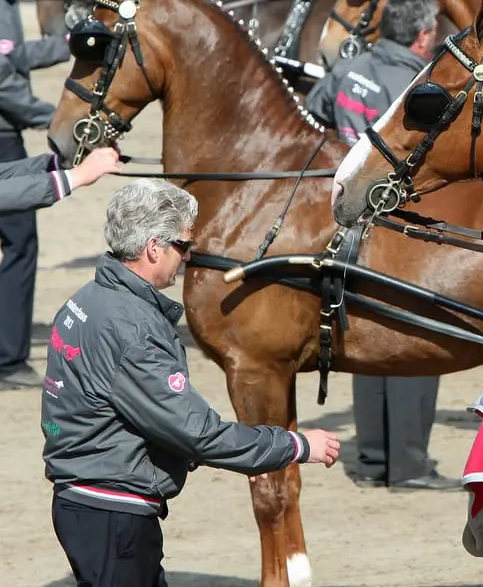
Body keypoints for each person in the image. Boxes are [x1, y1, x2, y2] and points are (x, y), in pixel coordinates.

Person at [42, 179, 341, 586]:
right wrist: (296, 446)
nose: (186, 258)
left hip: (85, 500)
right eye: (182, 245)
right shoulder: (133, 328)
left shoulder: (84, 301)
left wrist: (236, 453)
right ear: (152, 248)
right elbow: (196, 432)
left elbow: (131, 412)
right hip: (114, 514)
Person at [305, 0, 460, 492]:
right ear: (422, 36)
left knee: (367, 338)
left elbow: (314, 109)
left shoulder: (353, 68)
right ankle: (410, 465)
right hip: (398, 228)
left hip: (344, 226)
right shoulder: (417, 86)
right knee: (416, 340)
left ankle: (371, 460)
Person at [0, 0, 72, 389]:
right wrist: (57, 117)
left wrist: (66, 43)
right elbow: (5, 83)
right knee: (19, 243)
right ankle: (8, 359)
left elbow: (17, 57)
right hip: (4, 138)